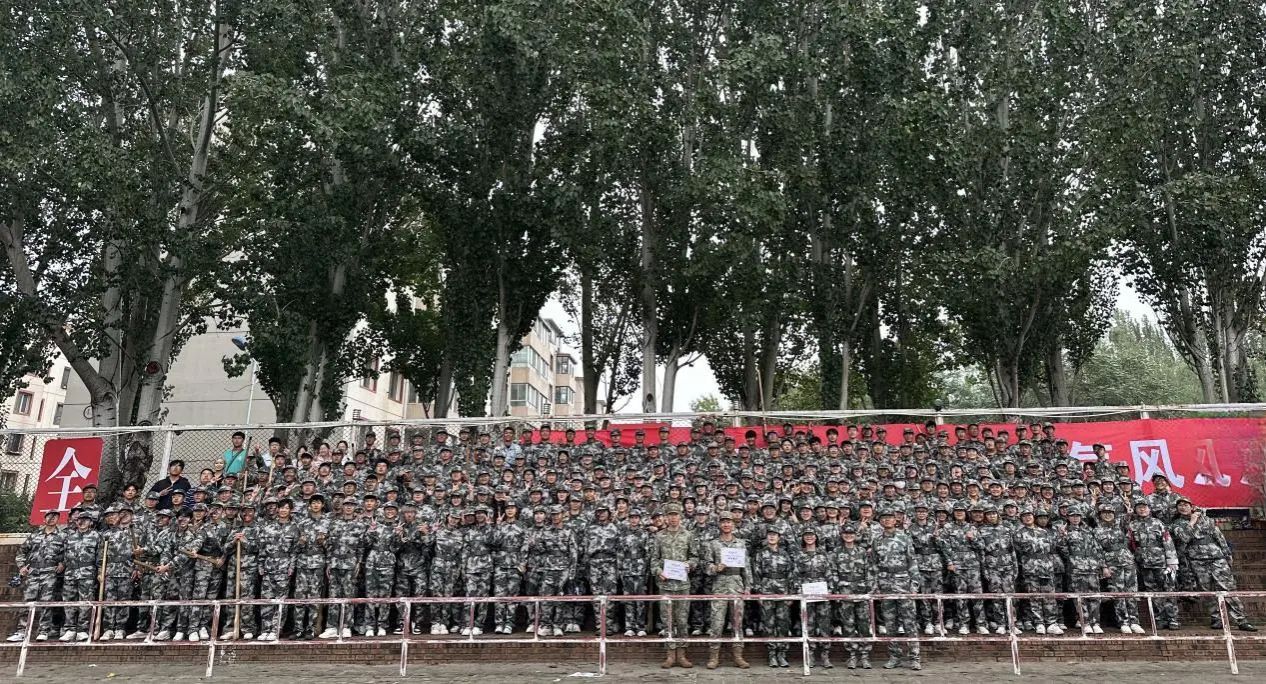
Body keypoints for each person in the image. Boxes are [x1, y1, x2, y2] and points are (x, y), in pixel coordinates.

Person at [1170, 497, 1257, 631]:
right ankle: (1217, 619)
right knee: (1208, 591)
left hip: (1216, 557)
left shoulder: (1206, 520)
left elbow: (1219, 537)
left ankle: (1241, 619)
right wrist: (1192, 522)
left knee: (1228, 588)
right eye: (1180, 505)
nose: (1183, 507)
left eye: (1185, 505)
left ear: (1191, 507)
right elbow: (1184, 538)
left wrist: (1227, 554)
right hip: (1197, 560)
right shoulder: (1177, 524)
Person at [649, 502, 696, 669]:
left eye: (676, 515)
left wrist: (690, 565)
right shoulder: (659, 536)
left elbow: (695, 557)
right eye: (670, 515)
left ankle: (682, 655)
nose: (673, 518)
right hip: (666, 585)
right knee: (667, 620)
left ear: (680, 516)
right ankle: (670, 655)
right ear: (666, 518)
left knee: (682, 620)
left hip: (683, 585)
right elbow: (654, 559)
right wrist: (658, 571)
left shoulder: (688, 535)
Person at [703, 512, 751, 669]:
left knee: (737, 623)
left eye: (729, 522)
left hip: (737, 585)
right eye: (723, 522)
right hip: (720, 585)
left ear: (733, 524)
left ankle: (738, 656)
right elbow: (706, 566)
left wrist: (748, 587)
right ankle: (713, 657)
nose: (726, 524)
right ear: (719, 524)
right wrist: (715, 568)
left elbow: (746, 567)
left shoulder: (741, 544)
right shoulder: (713, 544)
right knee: (716, 623)